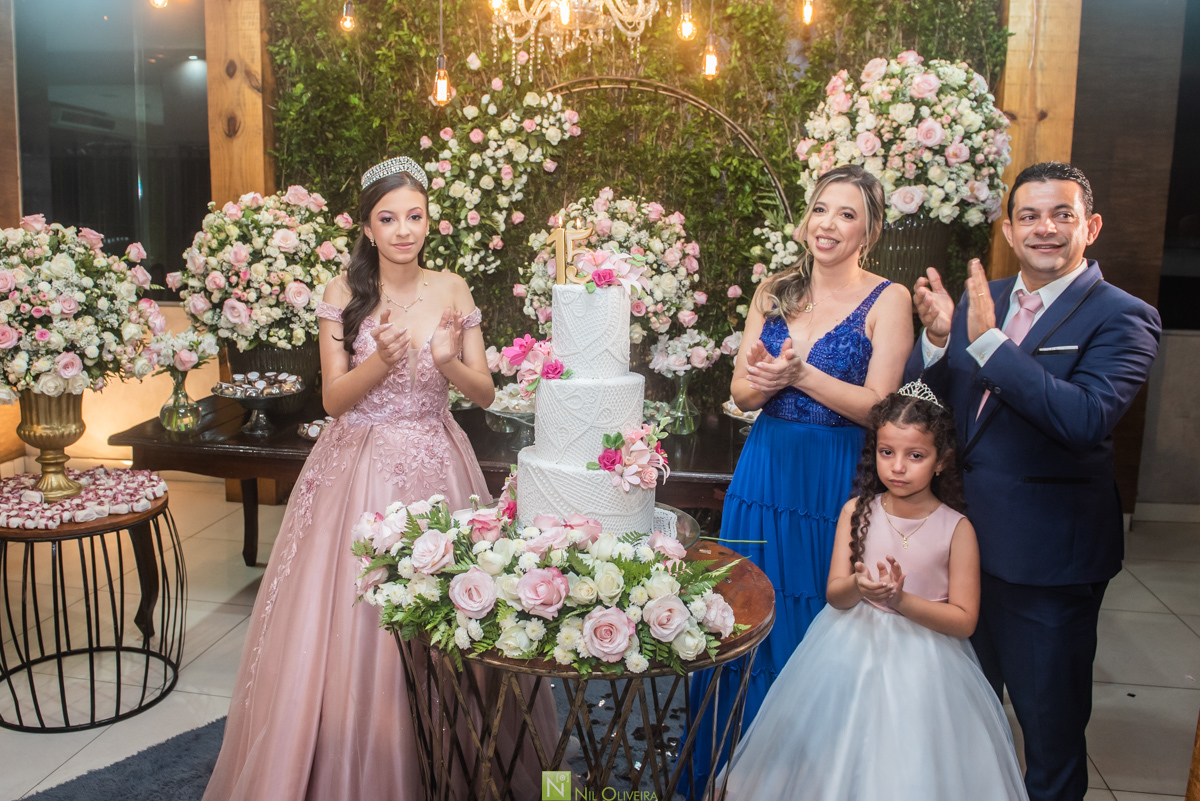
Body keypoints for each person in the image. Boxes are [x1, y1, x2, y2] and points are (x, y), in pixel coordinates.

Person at [204, 157, 544, 800]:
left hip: (439, 459)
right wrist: (382, 363)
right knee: (356, 616)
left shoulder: (453, 289)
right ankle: (359, 755)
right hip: (358, 465)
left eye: (414, 216)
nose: (403, 230)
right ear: (366, 227)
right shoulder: (342, 293)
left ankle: (456, 755)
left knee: (454, 607)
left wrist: (446, 361)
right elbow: (333, 399)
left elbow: (486, 392)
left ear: (428, 221)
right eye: (388, 218)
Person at [906, 161, 1162, 801]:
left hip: (1049, 562)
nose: (1044, 229)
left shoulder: (1123, 317)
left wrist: (990, 344)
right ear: (1010, 230)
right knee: (964, 719)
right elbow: (930, 405)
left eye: (1062, 215)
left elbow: (1083, 419)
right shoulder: (977, 299)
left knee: (1049, 736)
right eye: (1029, 216)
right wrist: (939, 343)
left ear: (1091, 226)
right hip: (960, 550)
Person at [682, 164, 914, 791]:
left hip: (835, 478)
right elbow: (739, 391)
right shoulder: (774, 292)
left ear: (870, 230)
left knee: (818, 617)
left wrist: (801, 376)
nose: (828, 225)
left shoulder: (888, 299)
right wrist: (759, 382)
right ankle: (734, 772)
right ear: (804, 219)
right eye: (820, 210)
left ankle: (807, 778)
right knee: (746, 612)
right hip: (765, 473)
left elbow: (882, 408)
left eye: (846, 214)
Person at [714, 387, 1028, 801]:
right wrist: (860, 588)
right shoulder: (856, 511)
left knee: (910, 761)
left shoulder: (957, 528)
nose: (898, 467)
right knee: (839, 752)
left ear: (942, 460)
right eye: (886, 452)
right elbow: (835, 594)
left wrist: (902, 601)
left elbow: (965, 619)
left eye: (915, 456)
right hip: (847, 653)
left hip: (927, 666)